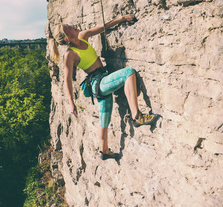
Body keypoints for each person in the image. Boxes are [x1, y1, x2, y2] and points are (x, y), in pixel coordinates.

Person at [49, 15, 160, 160]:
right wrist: (71, 103)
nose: (72, 25)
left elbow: (102, 28)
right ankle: (137, 116)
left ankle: (104, 151)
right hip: (98, 83)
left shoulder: (83, 36)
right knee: (129, 73)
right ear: (67, 37)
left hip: (102, 81)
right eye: (68, 28)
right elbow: (67, 80)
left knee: (104, 118)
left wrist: (122, 19)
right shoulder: (70, 55)